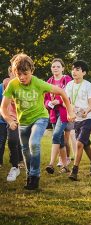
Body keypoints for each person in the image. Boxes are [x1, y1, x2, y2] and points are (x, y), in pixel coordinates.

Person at [0, 53, 75, 190]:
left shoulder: (38, 83)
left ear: (32, 71)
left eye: (25, 74)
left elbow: (63, 93)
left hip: (40, 118)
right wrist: (9, 120)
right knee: (25, 150)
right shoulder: (12, 84)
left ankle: (35, 176)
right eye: (19, 74)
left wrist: (70, 111)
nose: (22, 77)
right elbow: (3, 107)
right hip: (23, 121)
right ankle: (30, 176)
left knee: (33, 143)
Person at [66, 60, 91, 181]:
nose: (74, 71)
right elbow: (67, 102)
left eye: (78, 69)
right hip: (77, 119)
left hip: (88, 117)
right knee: (85, 144)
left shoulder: (88, 85)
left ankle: (74, 171)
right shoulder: (69, 85)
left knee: (79, 143)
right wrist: (70, 111)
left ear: (84, 72)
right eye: (73, 69)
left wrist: (86, 110)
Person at [44, 58, 72, 174]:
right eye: (53, 67)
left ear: (63, 68)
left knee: (55, 135)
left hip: (64, 112)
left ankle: (51, 164)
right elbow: (45, 99)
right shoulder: (48, 81)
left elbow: (69, 95)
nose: (55, 68)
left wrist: (59, 101)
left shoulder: (67, 80)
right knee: (60, 140)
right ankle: (65, 166)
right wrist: (48, 104)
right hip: (53, 113)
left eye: (58, 66)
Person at [2, 66, 24, 182]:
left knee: (24, 143)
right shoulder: (7, 82)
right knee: (12, 140)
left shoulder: (26, 82)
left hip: (25, 117)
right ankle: (14, 167)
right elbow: (7, 100)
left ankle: (27, 165)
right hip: (12, 117)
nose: (14, 75)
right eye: (12, 73)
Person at [0, 82, 7, 168]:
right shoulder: (1, 87)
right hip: (2, 119)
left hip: (15, 119)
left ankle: (18, 161)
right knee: (2, 140)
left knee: (15, 141)